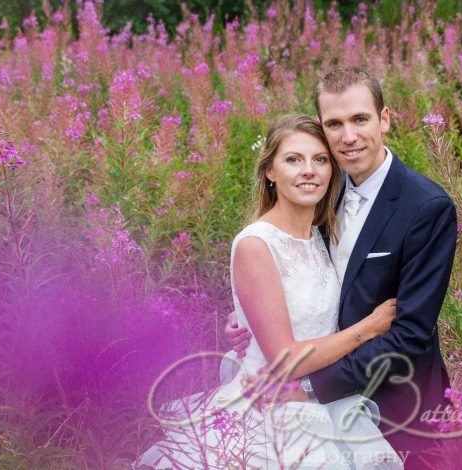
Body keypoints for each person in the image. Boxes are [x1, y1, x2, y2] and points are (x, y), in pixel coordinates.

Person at [138, 115, 404, 469]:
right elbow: (281, 357)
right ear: (270, 172)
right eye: (293, 159)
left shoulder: (321, 235)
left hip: (324, 397)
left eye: (320, 159)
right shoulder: (256, 243)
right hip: (273, 408)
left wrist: (243, 315)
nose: (308, 170)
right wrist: (370, 327)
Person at [227, 67, 458, 468]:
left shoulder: (426, 207)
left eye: (360, 119)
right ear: (322, 127)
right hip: (302, 403)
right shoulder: (318, 192)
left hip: (393, 403)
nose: (348, 136)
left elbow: (409, 333)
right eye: (334, 123)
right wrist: (249, 317)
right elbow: (288, 271)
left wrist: (312, 386)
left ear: (384, 119)